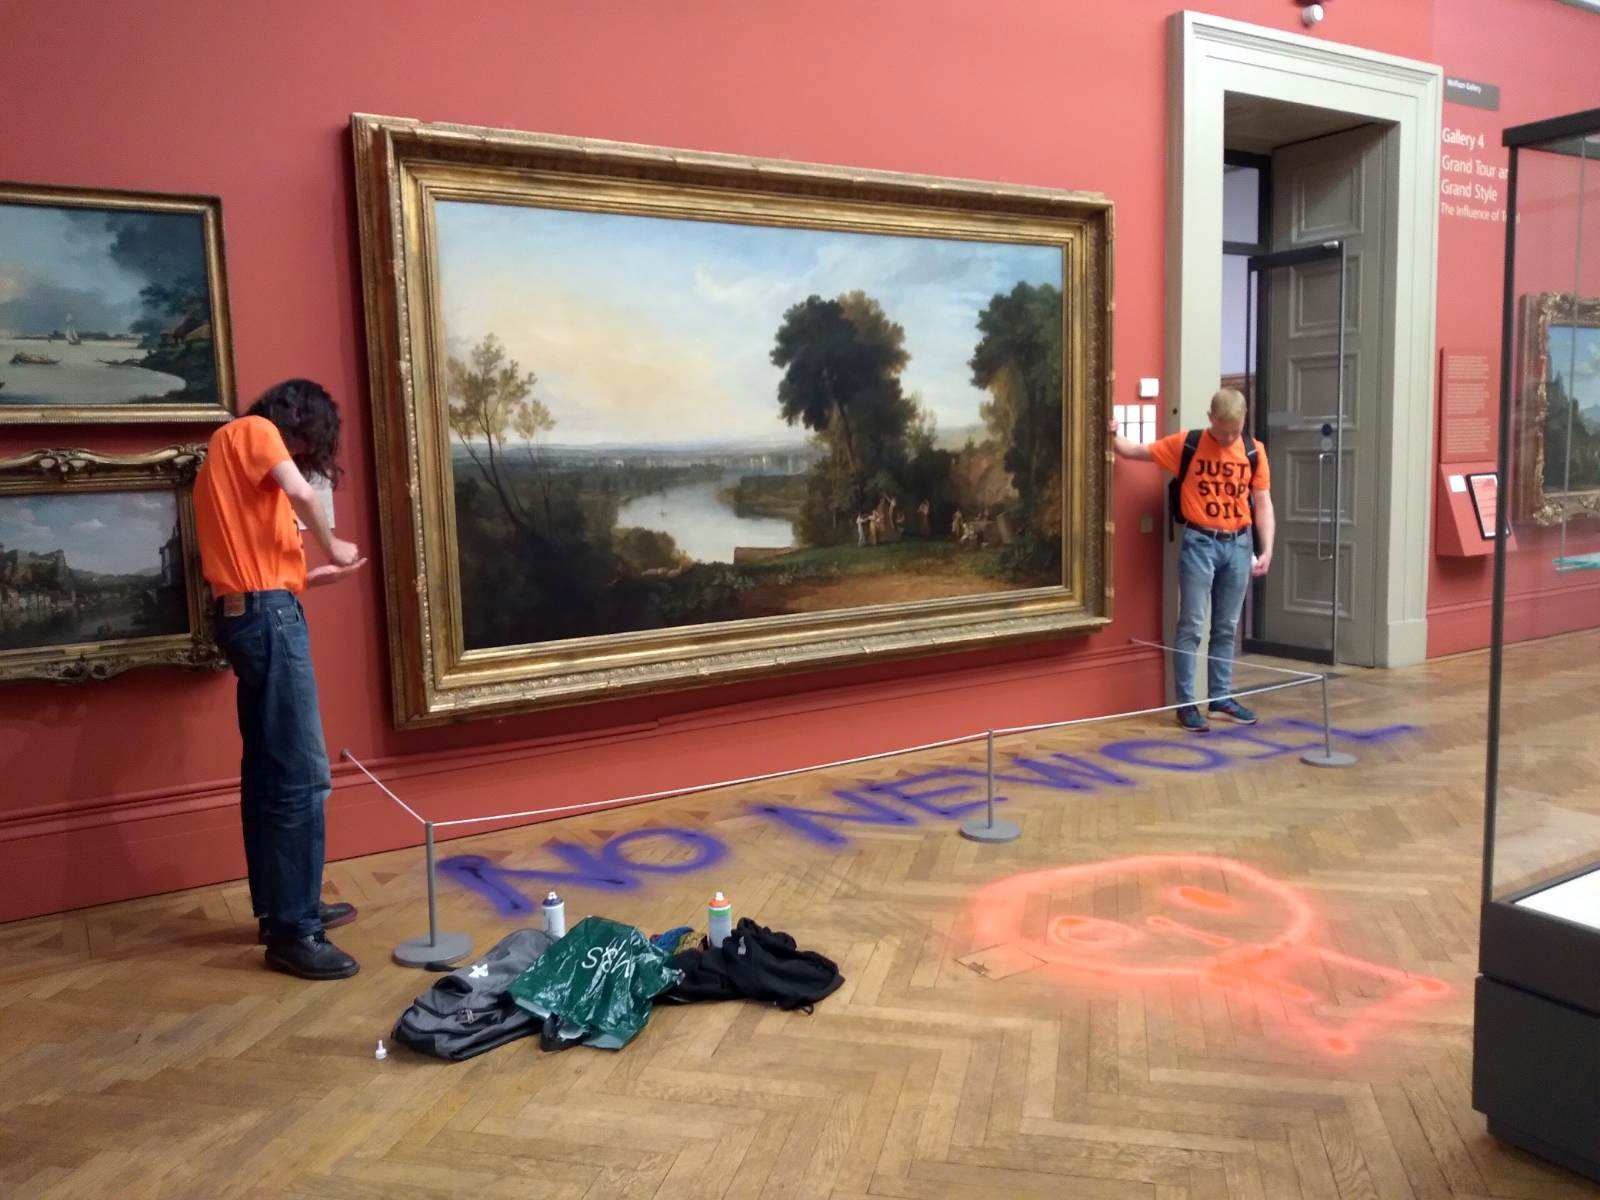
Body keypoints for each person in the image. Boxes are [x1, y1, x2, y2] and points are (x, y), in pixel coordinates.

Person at [192, 379, 368, 979]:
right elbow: (303, 495)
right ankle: (296, 931)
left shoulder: (227, 455)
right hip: (267, 618)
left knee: (271, 770)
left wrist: (317, 573)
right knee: (302, 775)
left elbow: (261, 572)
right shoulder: (254, 431)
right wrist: (335, 542)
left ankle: (283, 909)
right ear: (298, 420)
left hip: (253, 612)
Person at [1109, 387, 1275, 733]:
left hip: (1240, 544)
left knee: (1227, 626)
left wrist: (1267, 547)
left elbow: (1262, 502)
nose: (1229, 437)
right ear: (1210, 418)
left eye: (1235, 430)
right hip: (1200, 542)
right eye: (1223, 430)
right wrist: (1112, 434)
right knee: (1192, 624)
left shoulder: (1253, 451)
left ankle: (1221, 699)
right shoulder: (1188, 444)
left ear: (1244, 420)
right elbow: (1135, 451)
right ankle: (1186, 705)